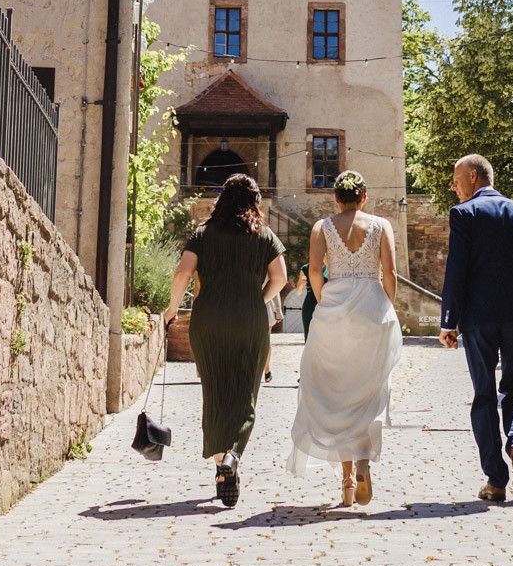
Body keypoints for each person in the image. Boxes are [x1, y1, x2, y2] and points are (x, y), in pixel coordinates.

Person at [164, 173, 287, 507]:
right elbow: (280, 278)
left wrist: (171, 308)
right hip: (249, 320)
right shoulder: (265, 235)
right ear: (254, 203)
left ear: (221, 202)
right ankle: (233, 456)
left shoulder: (203, 234)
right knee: (245, 392)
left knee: (216, 391)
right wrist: (256, 299)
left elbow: (182, 273)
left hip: (209, 321)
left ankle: (222, 464)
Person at [288, 170, 402, 506]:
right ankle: (365, 463)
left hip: (335, 308)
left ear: (336, 198)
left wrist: (326, 302)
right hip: (372, 307)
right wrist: (386, 307)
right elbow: (391, 273)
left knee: (337, 393)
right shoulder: (382, 226)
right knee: (367, 390)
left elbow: (312, 272)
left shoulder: (321, 227)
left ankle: (348, 481)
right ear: (364, 196)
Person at [439, 153, 513, 504]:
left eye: (456, 180)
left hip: (479, 318)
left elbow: (456, 270)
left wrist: (448, 322)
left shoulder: (464, 214)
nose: (454, 187)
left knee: (484, 395)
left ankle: (496, 481)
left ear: (473, 176)